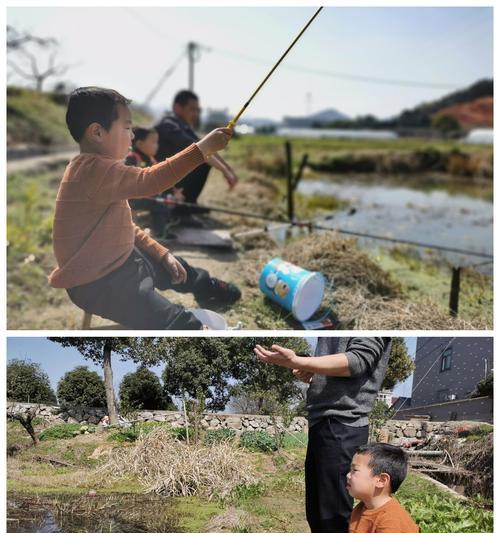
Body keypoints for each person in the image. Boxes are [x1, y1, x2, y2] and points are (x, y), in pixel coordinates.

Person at [49, 86, 241, 329]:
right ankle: (195, 328)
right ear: (97, 132)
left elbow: (125, 225)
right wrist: (201, 150)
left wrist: (162, 254)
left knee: (178, 266)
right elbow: (150, 181)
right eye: (127, 128)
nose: (132, 136)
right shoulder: (93, 169)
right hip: (97, 283)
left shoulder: (98, 170)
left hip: (122, 260)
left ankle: (207, 288)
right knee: (173, 320)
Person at [254, 337, 392, 533]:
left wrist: (299, 361)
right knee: (318, 513)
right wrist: (314, 371)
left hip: (341, 423)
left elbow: (358, 361)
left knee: (332, 518)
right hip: (323, 421)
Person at [155, 89, 239, 226]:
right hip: (159, 182)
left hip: (172, 177)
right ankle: (181, 212)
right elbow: (202, 150)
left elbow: (209, 147)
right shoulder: (169, 126)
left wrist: (229, 170)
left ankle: (189, 204)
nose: (195, 114)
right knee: (201, 161)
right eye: (191, 109)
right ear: (177, 108)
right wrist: (225, 171)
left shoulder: (184, 127)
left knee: (202, 159)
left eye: (197, 110)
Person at [125, 126, 184, 236]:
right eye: (153, 142)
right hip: (134, 199)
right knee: (159, 204)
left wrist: (174, 193)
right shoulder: (133, 159)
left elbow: (162, 179)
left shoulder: (152, 160)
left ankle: (162, 224)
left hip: (149, 196)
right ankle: (159, 233)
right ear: (140, 144)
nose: (157, 145)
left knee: (168, 201)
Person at [347, 443, 419, 532]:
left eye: (355, 470)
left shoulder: (390, 523)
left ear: (381, 480)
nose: (348, 475)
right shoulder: (362, 507)